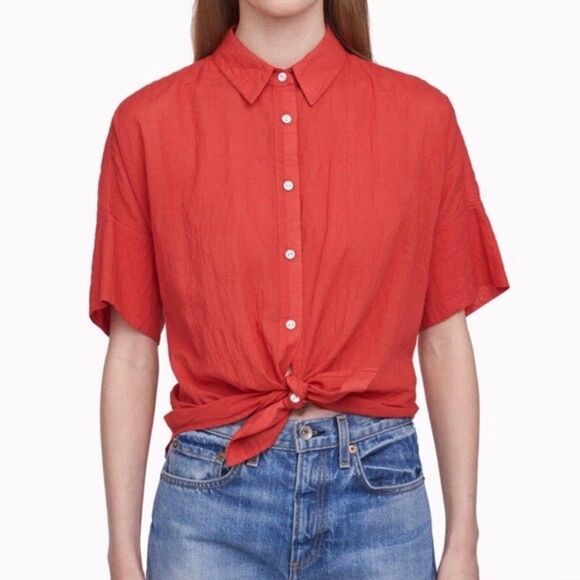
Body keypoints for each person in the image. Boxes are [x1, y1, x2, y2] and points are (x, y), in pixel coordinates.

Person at [88, 1, 510, 578]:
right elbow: (133, 351)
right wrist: (121, 553)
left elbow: (443, 338)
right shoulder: (147, 122)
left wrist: (464, 540)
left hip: (378, 498)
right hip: (209, 504)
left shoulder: (421, 118)